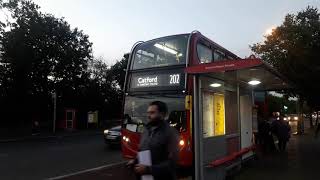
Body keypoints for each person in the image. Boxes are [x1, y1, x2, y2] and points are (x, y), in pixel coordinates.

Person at [126, 101, 179, 180]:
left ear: (162, 114)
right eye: (148, 113)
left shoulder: (171, 132)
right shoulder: (146, 130)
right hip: (145, 177)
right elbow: (143, 150)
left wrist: (148, 169)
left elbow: (172, 164)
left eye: (152, 113)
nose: (148, 116)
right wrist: (135, 161)